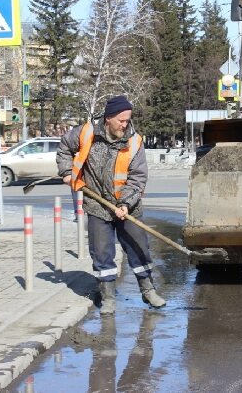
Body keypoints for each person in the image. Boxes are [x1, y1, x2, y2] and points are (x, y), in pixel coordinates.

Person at [56, 95, 166, 315]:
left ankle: (148, 290)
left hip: (128, 206)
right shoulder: (86, 133)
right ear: (108, 118)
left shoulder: (135, 142)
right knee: (102, 252)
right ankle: (108, 298)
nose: (125, 125)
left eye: (127, 120)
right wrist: (67, 173)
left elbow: (138, 178)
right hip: (97, 205)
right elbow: (64, 148)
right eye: (121, 120)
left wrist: (125, 204)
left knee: (138, 248)